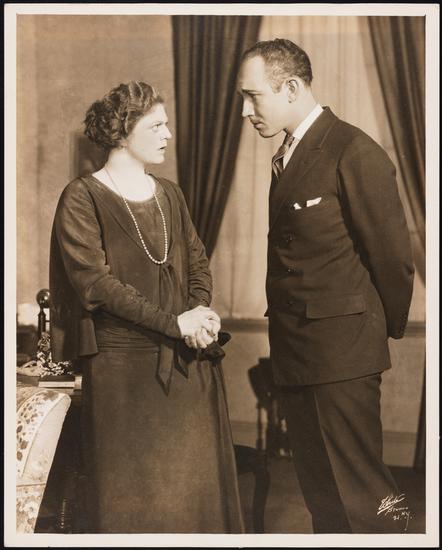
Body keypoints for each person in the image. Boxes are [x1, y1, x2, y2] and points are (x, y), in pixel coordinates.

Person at [49, 81, 244, 534]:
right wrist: (176, 323)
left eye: (167, 125)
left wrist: (199, 313)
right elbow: (96, 285)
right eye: (156, 126)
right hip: (122, 374)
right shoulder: (82, 197)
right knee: (132, 509)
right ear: (122, 131)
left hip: (188, 365)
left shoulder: (170, 193)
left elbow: (198, 263)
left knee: (195, 506)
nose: (168, 134)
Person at [237, 39, 415, 533]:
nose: (246, 111)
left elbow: (393, 260)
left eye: (253, 96)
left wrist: (367, 331)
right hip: (299, 354)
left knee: (368, 501)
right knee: (324, 498)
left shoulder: (353, 151)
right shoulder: (290, 154)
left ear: (291, 88)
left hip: (342, 356)